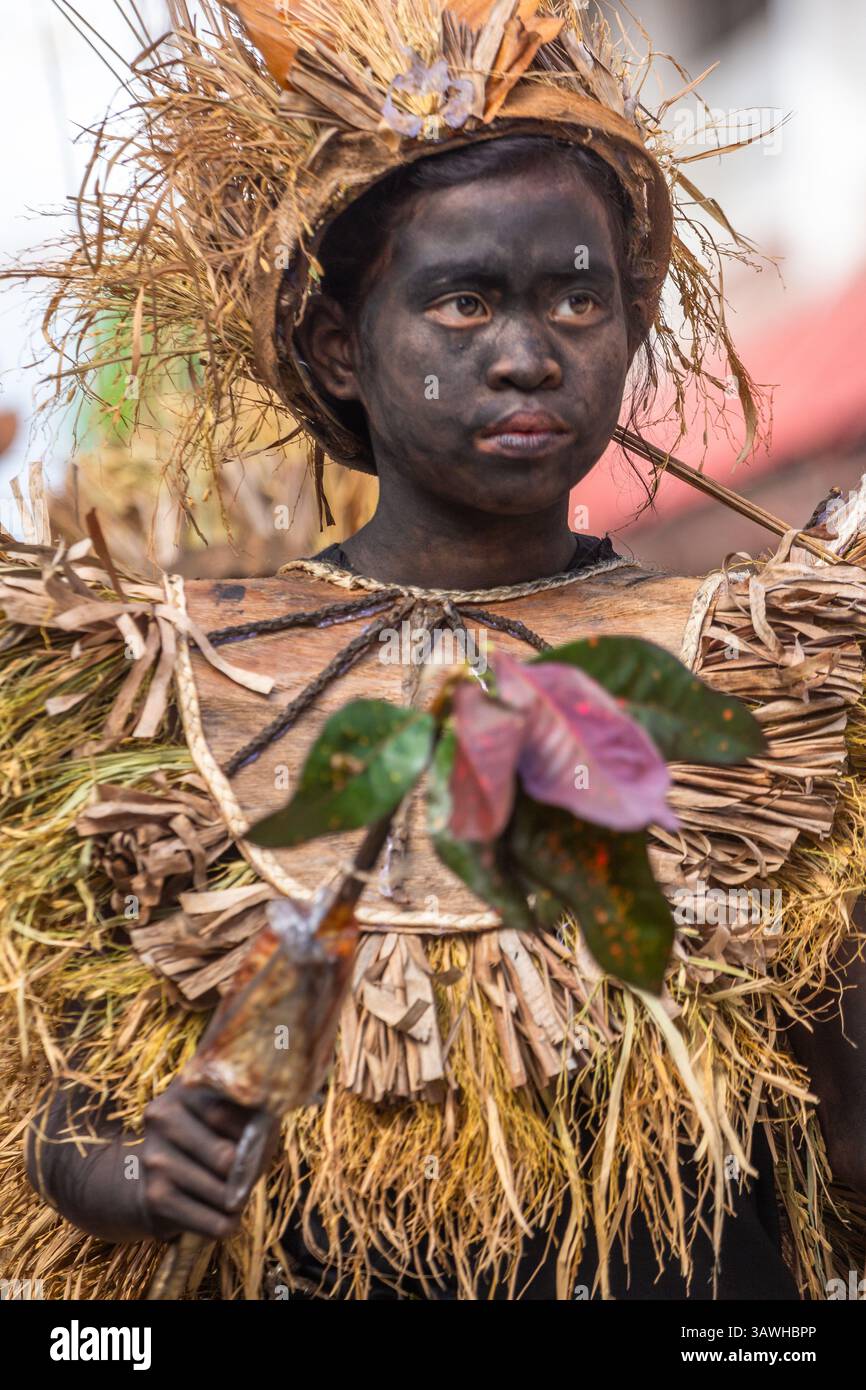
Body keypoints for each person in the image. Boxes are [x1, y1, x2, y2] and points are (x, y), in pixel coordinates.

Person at [3, 0, 866, 1301]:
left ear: (629, 323)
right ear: (341, 347)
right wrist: (129, 1174)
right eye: (462, 302)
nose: (528, 355)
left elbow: (838, 1127)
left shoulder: (761, 682)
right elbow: (58, 1093)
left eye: (577, 297)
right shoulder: (180, 688)